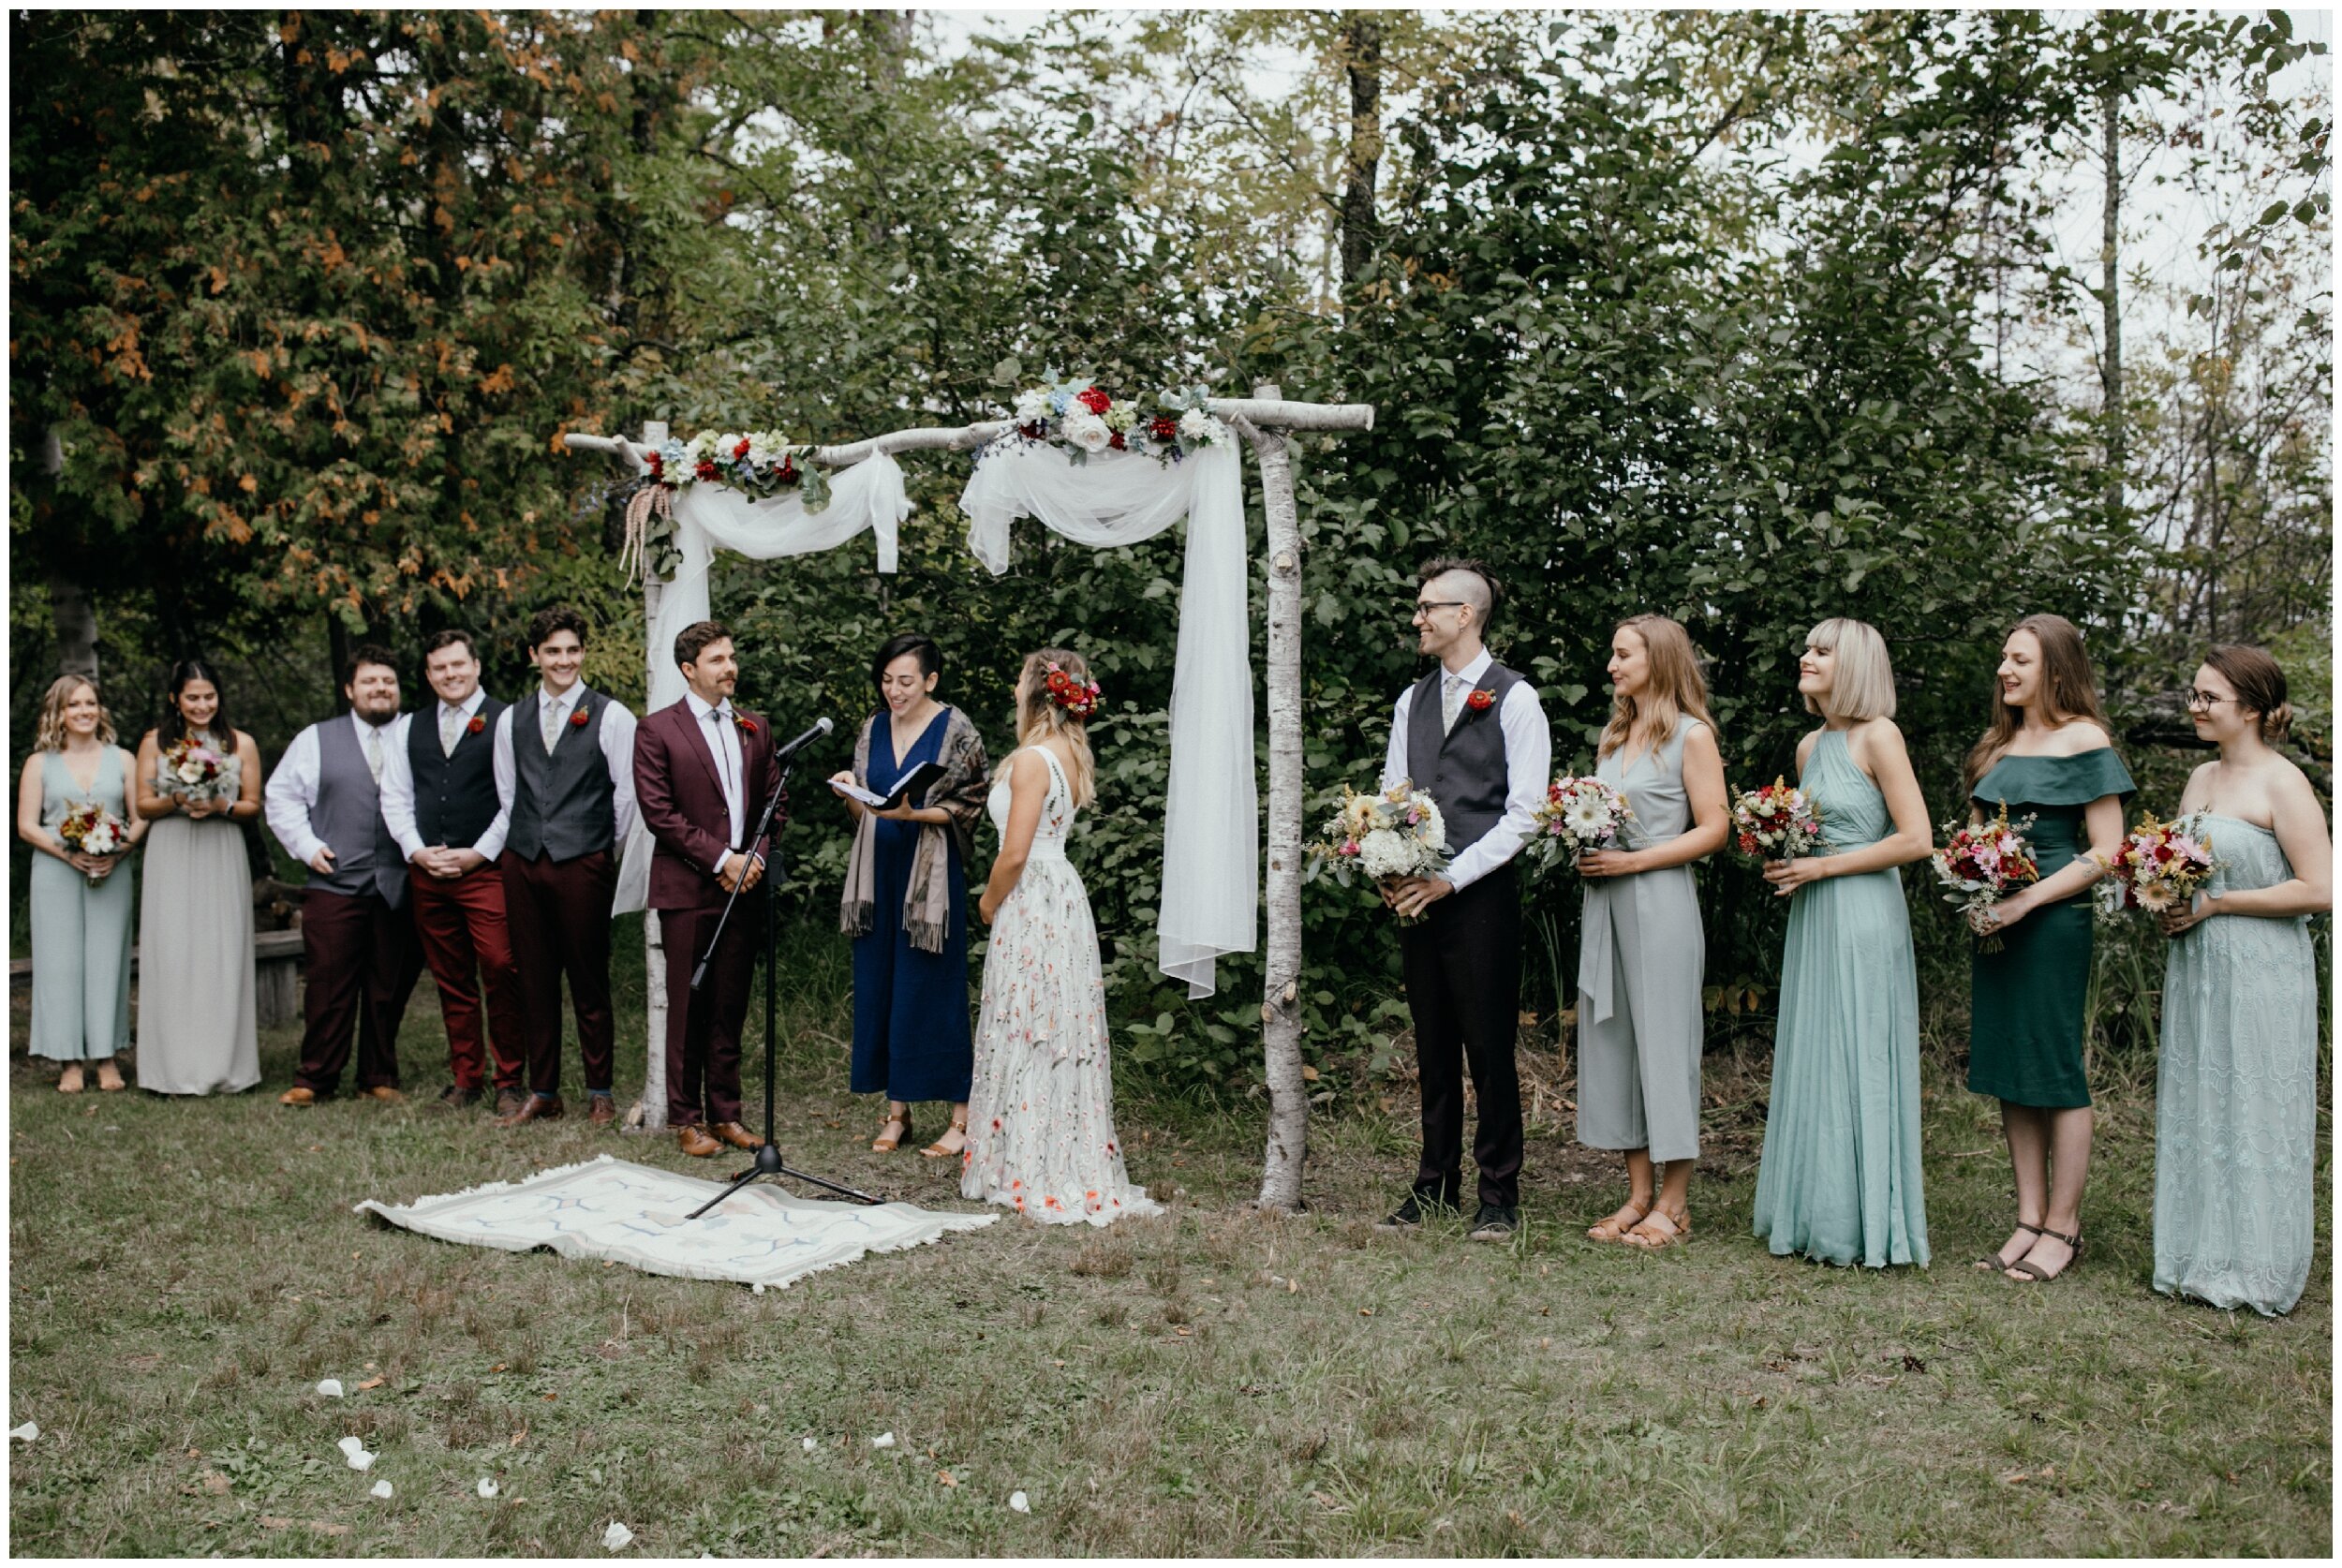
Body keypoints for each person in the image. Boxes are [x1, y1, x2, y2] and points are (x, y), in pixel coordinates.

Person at [1371, 558, 1550, 1243]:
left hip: (1480, 899)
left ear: (1464, 615)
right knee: (1434, 1045)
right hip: (1417, 898)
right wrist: (1388, 863)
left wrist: (1453, 877)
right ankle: (1432, 1186)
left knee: (1489, 1047)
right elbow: (1394, 795)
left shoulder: (1516, 698)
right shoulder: (1409, 700)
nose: (1418, 619)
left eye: (1427, 608)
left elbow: (1525, 814)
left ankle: (1498, 1195)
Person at [1749, 619, 1932, 1268]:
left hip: (1862, 912)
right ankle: (1812, 1212)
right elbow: (1811, 835)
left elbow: (1916, 839)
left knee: (1859, 1050)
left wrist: (1822, 867)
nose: (1806, 657)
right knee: (1818, 1048)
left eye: (1822, 651)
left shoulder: (1879, 736)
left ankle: (1863, 1222)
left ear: (1853, 665)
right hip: (1816, 912)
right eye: (1806, 647)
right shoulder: (1808, 747)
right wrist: (1783, 855)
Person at [2152, 645, 2329, 1315]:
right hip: (2198, 964)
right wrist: (2164, 896)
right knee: (2202, 1095)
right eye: (2192, 695)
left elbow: (2322, 888)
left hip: (2262, 967)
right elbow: (2178, 864)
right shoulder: (2199, 778)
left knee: (2255, 1104)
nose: (2194, 708)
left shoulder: (2283, 783)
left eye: (2208, 698)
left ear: (2251, 709)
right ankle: (2195, 1257)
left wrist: (2220, 904)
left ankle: (2258, 1269)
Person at [1963, 613, 2132, 1285]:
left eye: (2021, 660)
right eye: (2004, 657)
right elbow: (1976, 842)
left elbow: (2108, 851)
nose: (2006, 669)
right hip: (1994, 923)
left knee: (2055, 1070)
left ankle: (2064, 1226)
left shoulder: (2085, 740)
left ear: (2056, 670)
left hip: (2052, 922)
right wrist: (1972, 887)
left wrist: (2027, 900)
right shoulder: (1995, 750)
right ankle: (2028, 1217)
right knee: (2010, 1068)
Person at [961, 648, 1158, 1225]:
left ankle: (1028, 1165)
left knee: (1029, 1024)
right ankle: (1044, 1154)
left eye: (1018, 686)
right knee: (1052, 1024)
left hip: (1032, 897)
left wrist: (989, 900)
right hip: (1061, 895)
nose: (1012, 697)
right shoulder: (1070, 755)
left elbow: (1015, 852)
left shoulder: (1029, 760)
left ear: (1035, 692)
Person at [1578, 614, 1729, 1250]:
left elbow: (1715, 827)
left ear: (1659, 661)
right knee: (1616, 1043)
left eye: (1623, 655)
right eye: (1612, 655)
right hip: (1606, 902)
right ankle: (1638, 1194)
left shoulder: (1692, 737)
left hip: (1660, 899)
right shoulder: (1614, 738)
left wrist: (1635, 860)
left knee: (1665, 1045)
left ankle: (1676, 1200)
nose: (1612, 666)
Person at [831, 633, 990, 1158]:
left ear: (930, 681)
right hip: (879, 873)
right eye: (886, 680)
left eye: (904, 681)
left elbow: (970, 806)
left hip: (931, 881)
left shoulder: (957, 729)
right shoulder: (874, 726)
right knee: (881, 986)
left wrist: (912, 814)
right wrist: (852, 793)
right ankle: (898, 1111)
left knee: (932, 989)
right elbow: (865, 811)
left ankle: (961, 1117)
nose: (893, 691)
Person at [632, 620, 773, 1157]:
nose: (729, 667)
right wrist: (722, 860)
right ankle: (685, 1119)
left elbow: (772, 803)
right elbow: (659, 814)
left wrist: (754, 858)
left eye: (731, 657)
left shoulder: (754, 726)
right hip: (688, 887)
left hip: (745, 885)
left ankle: (726, 1114)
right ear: (689, 670)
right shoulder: (658, 730)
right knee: (688, 1005)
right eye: (717, 660)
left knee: (729, 1006)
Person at [494, 605, 638, 1128]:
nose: (564, 660)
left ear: (583, 653)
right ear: (535, 656)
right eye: (553, 651)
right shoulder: (511, 719)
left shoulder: (612, 714)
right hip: (524, 861)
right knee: (533, 979)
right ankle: (544, 1090)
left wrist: (601, 853)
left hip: (584, 862)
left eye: (573, 650)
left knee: (589, 979)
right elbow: (509, 793)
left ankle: (600, 1091)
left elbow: (627, 796)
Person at [264, 644, 423, 1104]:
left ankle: (378, 1075)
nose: (380, 689)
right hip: (334, 882)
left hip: (398, 882)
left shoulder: (417, 734)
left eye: (388, 682)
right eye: (370, 681)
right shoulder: (316, 739)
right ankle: (314, 1077)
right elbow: (280, 797)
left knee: (387, 986)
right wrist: (307, 846)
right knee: (329, 984)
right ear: (350, 689)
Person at [378, 630, 526, 1114]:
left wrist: (477, 854)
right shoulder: (408, 727)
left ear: (476, 666)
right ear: (428, 674)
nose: (450, 674)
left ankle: (509, 1081)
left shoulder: (506, 720)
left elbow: (514, 800)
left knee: (500, 968)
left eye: (458, 664)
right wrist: (418, 852)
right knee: (450, 977)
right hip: (429, 871)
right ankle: (467, 1078)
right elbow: (395, 797)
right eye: (439, 668)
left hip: (486, 870)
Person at [132, 658, 263, 1095]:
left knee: (221, 950)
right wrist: (177, 798)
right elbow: (143, 806)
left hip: (221, 849)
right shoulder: (155, 742)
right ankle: (170, 1070)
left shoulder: (239, 743)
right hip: (171, 848)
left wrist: (220, 806)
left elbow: (251, 805)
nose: (202, 704)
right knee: (171, 951)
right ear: (176, 699)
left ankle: (226, 1067)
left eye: (209, 696)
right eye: (193, 697)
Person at [16, 675, 145, 1091]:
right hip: (56, 871)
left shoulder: (123, 759)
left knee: (109, 960)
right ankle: (69, 1059)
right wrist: (69, 853)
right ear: (59, 713)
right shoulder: (40, 763)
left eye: (90, 703)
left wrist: (118, 852)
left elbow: (140, 815)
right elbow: (25, 825)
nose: (84, 711)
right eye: (74, 705)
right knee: (60, 963)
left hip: (111, 870)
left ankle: (107, 1056)